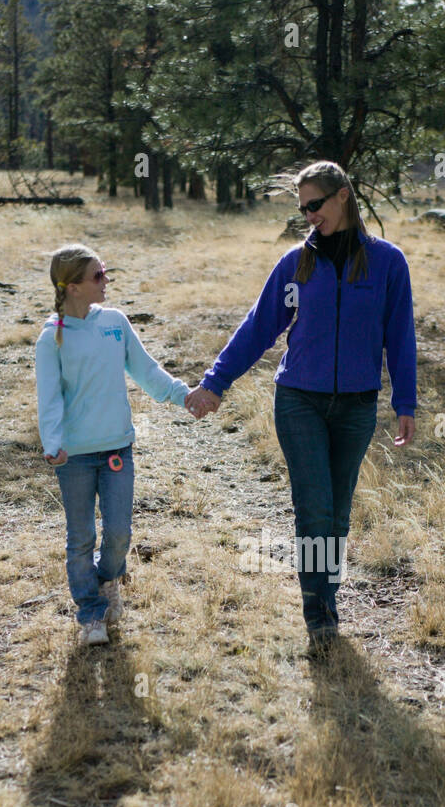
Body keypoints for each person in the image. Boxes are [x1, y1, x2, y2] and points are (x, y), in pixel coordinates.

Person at [187, 160, 417, 653]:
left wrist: (406, 401)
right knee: (314, 510)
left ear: (343, 197)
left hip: (356, 407)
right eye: (302, 209)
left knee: (336, 515)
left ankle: (324, 598)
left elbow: (400, 337)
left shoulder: (387, 263)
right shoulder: (296, 264)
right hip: (299, 404)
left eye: (315, 205)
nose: (309, 216)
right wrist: (215, 383)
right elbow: (258, 327)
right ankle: (320, 614)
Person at [34, 243, 199, 646]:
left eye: (105, 272)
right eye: (97, 276)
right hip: (73, 457)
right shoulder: (50, 338)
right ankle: (90, 613)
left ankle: (108, 580)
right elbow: (49, 399)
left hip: (116, 450)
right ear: (72, 287)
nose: (106, 281)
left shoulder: (116, 323)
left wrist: (185, 395)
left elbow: (147, 371)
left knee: (120, 534)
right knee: (80, 538)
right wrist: (53, 443)